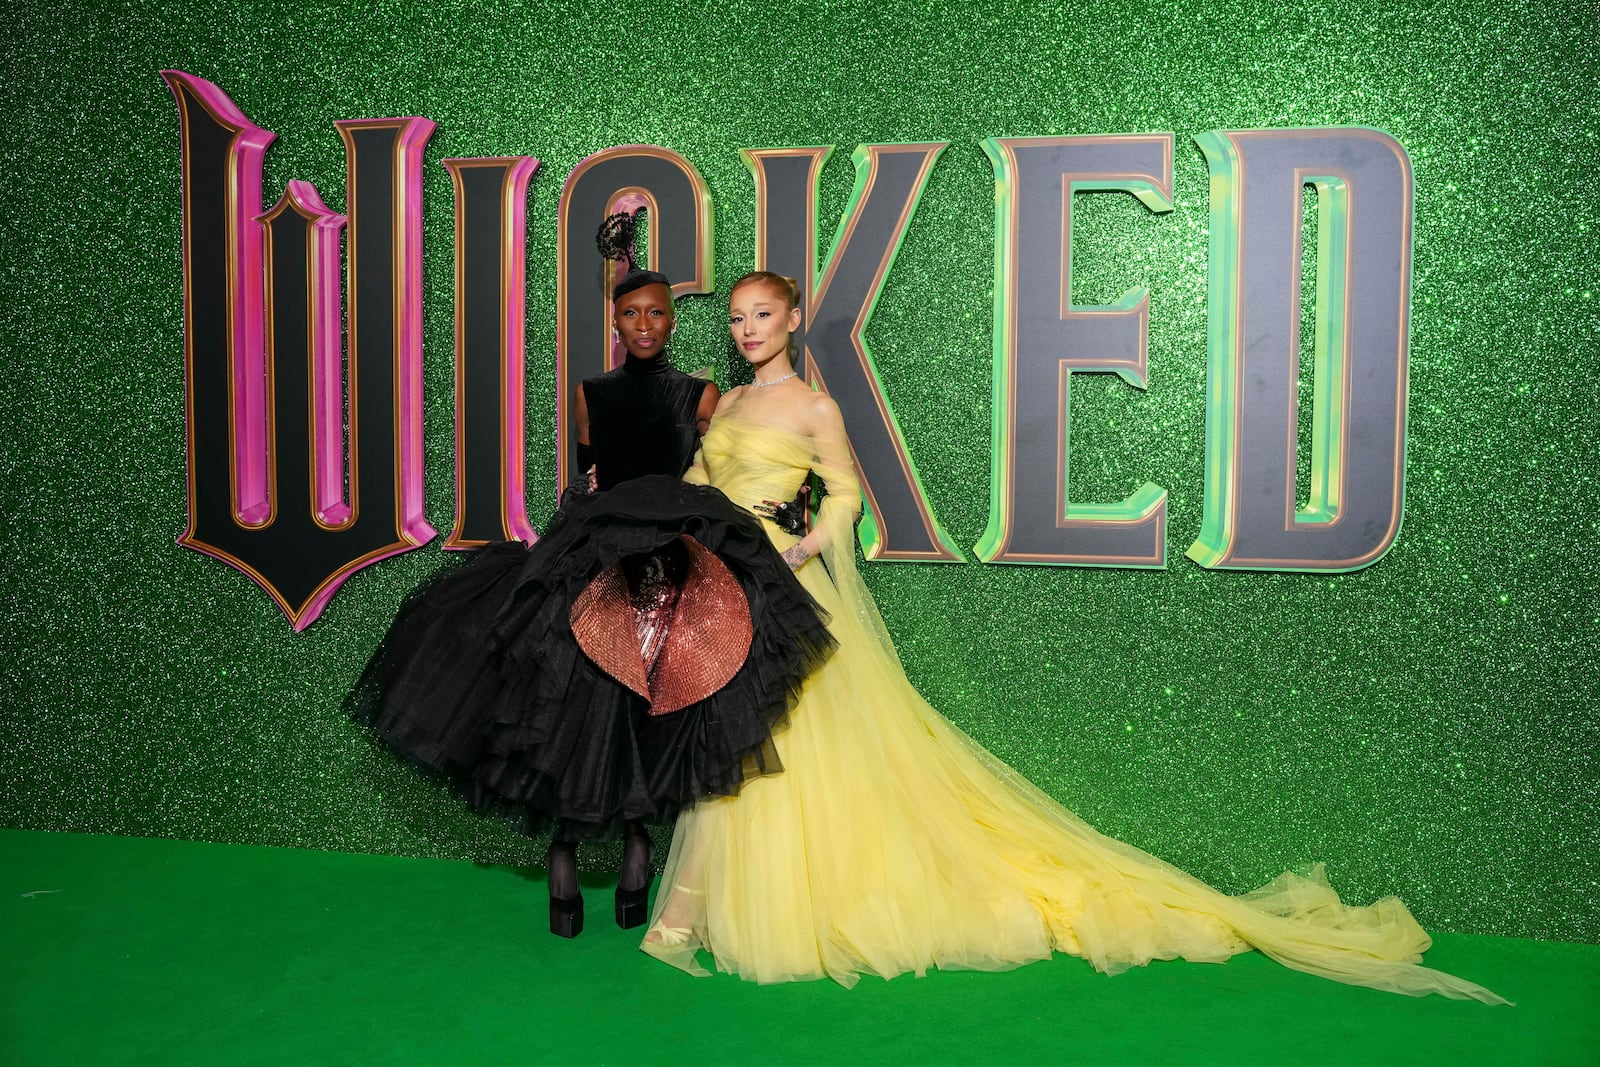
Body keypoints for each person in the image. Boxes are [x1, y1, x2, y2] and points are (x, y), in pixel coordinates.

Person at [639, 271, 1505, 1003]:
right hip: (723, 583)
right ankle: (698, 909)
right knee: (725, 738)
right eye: (739, 318)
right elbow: (697, 478)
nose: (749, 329)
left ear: (793, 319)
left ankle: (709, 912)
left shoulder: (814, 407)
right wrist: (664, 521)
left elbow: (847, 496)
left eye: (763, 315)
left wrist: (804, 541)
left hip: (779, 585)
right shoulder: (732, 403)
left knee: (773, 742)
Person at [347, 224, 833, 938]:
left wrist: (793, 504)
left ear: (673, 320)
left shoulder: (704, 397)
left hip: (669, 557)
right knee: (567, 695)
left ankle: (638, 846)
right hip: (596, 546)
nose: (644, 324)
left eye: (657, 312)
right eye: (631, 312)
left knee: (645, 701)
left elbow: (732, 462)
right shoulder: (587, 394)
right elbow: (589, 473)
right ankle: (564, 855)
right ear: (615, 319)